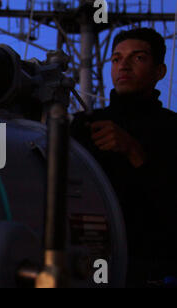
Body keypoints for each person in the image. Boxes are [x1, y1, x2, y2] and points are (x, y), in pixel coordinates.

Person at [70, 28, 177, 287]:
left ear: (160, 71)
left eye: (137, 58)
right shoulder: (83, 126)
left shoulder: (172, 129)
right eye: (116, 59)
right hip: (86, 265)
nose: (123, 66)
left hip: (152, 270)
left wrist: (135, 153)